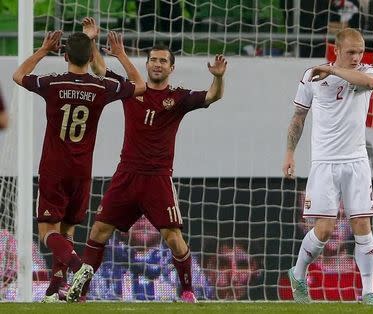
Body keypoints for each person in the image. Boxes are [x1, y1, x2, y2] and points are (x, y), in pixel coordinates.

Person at [66, 17, 227, 303]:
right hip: (126, 174)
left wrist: (217, 76)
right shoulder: (131, 89)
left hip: (157, 177)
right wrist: (90, 39)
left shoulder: (178, 98)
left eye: (163, 61)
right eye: (153, 60)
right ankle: (83, 291)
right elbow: (99, 67)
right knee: (99, 230)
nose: (156, 64)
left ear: (171, 67)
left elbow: (213, 96)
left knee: (173, 238)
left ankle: (187, 291)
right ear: (147, 64)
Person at [12, 27, 145, 302]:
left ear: (64, 56)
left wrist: (42, 49)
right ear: (90, 57)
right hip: (82, 170)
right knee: (69, 229)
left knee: (48, 231)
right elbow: (140, 86)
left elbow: (18, 75)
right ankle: (54, 288)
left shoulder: (53, 83)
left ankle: (78, 266)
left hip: (54, 168)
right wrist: (118, 54)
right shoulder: (101, 87)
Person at [282, 28, 373, 305]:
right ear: (336, 50)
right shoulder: (311, 76)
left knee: (362, 223)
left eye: (360, 51)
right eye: (350, 52)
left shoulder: (368, 72)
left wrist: (333, 71)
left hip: (356, 161)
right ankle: (298, 274)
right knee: (324, 230)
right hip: (324, 162)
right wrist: (289, 153)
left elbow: (368, 83)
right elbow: (298, 117)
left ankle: (368, 292)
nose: (356, 57)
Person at [278, 196, 373, 301]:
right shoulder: (290, 284)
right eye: (322, 218)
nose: (333, 226)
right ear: (303, 224)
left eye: (341, 217)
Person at [88, 216, 212, 301]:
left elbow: (203, 301)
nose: (142, 218)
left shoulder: (185, 262)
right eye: (135, 212)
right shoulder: (100, 261)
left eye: (148, 211)